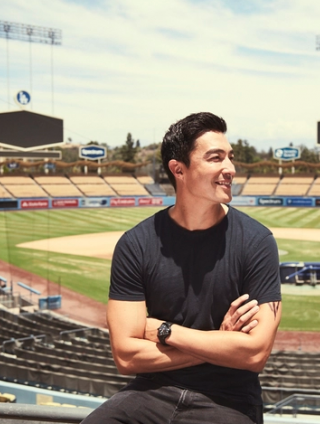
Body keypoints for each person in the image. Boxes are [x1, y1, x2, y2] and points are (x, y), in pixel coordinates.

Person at [82, 112, 282, 424]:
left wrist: (163, 330)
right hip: (150, 392)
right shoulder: (135, 243)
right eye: (215, 158)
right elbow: (125, 356)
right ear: (179, 169)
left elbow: (254, 353)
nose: (230, 169)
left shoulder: (257, 241)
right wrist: (219, 339)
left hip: (229, 399)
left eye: (230, 158)